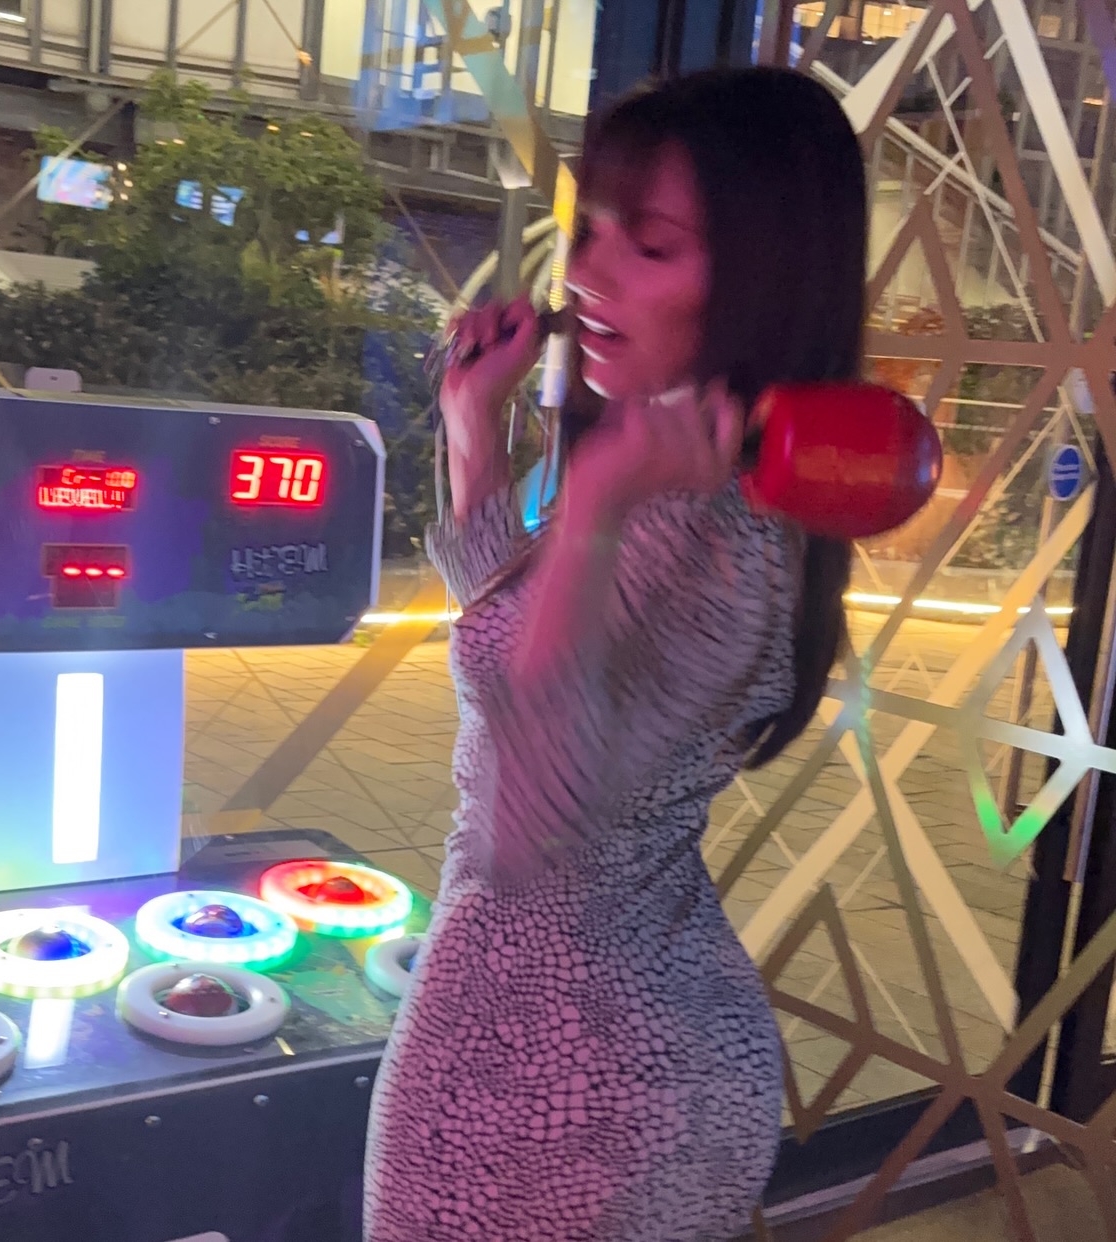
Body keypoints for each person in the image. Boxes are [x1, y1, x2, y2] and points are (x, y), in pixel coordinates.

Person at [363, 67, 867, 1241]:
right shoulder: (664, 473)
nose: (586, 277)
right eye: (590, 231)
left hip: (575, 1079)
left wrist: (591, 504)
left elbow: (530, 826)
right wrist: (475, 431)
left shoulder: (717, 534)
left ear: (760, 276)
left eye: (650, 245)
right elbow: (518, 638)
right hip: (573, 1024)